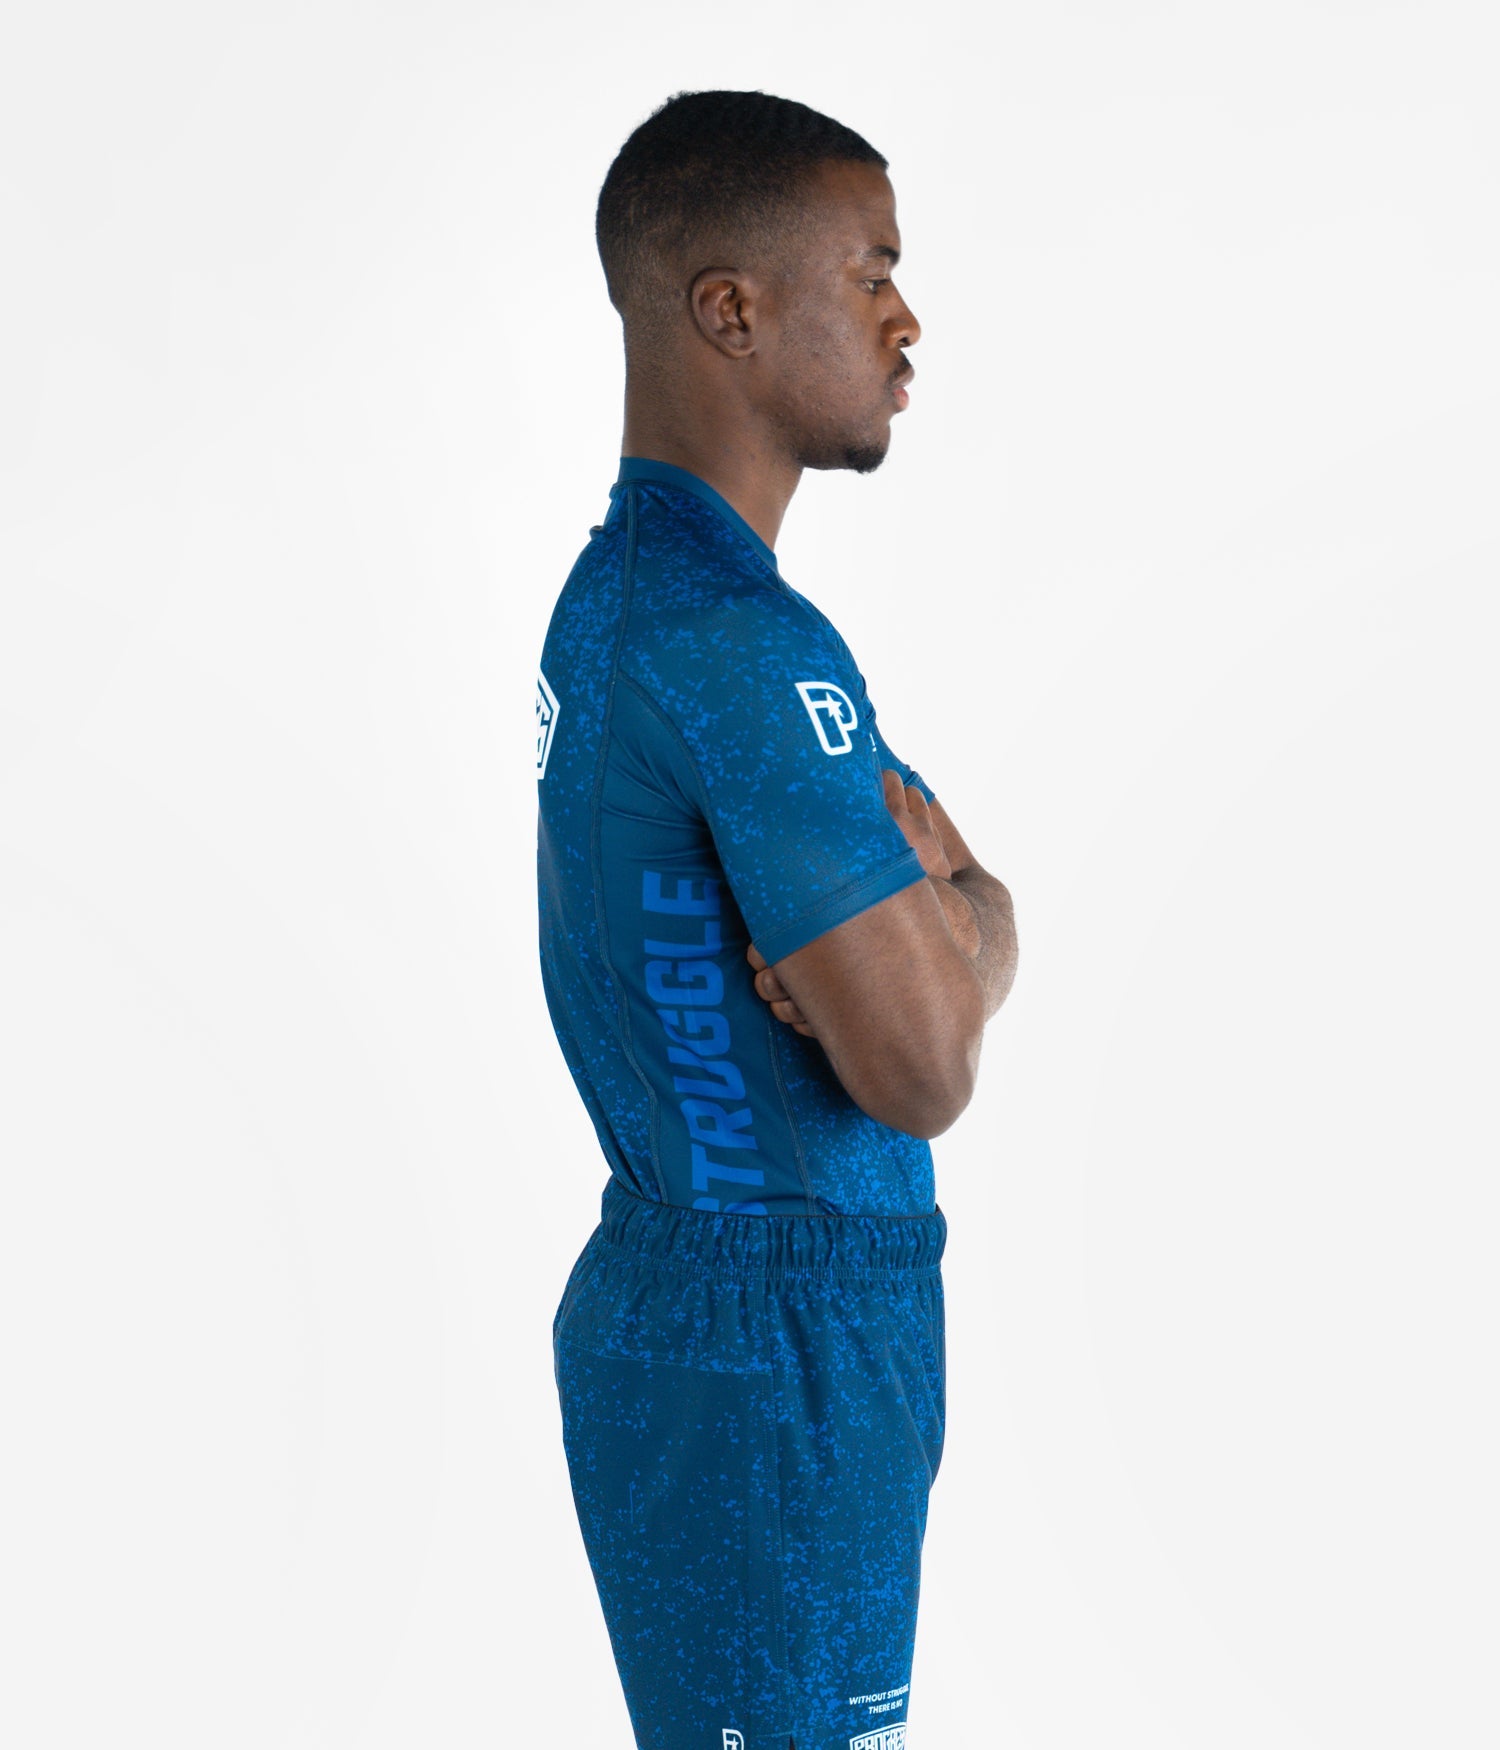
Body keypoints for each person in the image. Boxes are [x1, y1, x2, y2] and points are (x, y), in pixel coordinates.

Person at [536, 88, 1018, 1750]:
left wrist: (966, 915)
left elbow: (955, 922)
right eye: (870, 270)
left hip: (752, 1328)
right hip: (776, 1355)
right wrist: (957, 925)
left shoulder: (649, 602)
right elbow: (925, 1064)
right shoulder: (740, 651)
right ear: (730, 311)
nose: (907, 318)